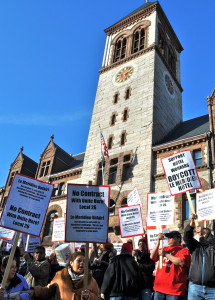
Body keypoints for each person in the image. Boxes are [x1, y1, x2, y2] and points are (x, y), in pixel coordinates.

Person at [31, 251, 99, 300]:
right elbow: (48, 290)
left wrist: (90, 296)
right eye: (79, 260)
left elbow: (98, 297)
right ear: (71, 263)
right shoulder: (60, 275)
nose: (82, 263)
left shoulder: (91, 281)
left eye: (84, 261)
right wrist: (35, 291)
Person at [150, 231, 191, 300]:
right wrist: (158, 241)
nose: (168, 239)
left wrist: (166, 254)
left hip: (174, 291)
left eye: (171, 237)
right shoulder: (165, 248)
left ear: (178, 239)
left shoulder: (184, 250)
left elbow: (181, 262)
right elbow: (152, 257)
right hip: (159, 288)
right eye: (168, 237)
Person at [183, 213, 215, 300]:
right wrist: (192, 223)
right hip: (195, 288)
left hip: (212, 289)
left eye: (204, 232)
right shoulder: (195, 247)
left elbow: (210, 242)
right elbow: (187, 237)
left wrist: (203, 234)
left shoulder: (212, 247)